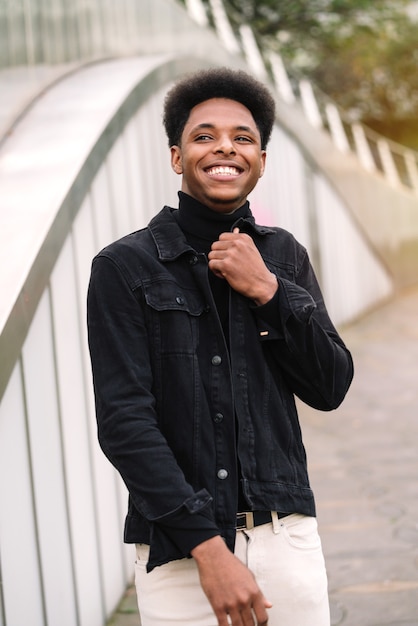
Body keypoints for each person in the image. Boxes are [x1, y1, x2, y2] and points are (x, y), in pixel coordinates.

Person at [87, 67, 354, 626]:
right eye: (203, 136)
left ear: (260, 158)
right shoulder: (123, 267)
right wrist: (211, 551)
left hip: (288, 539)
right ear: (177, 157)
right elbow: (125, 422)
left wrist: (270, 293)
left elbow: (329, 386)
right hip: (182, 558)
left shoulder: (283, 259)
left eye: (243, 137)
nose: (224, 147)